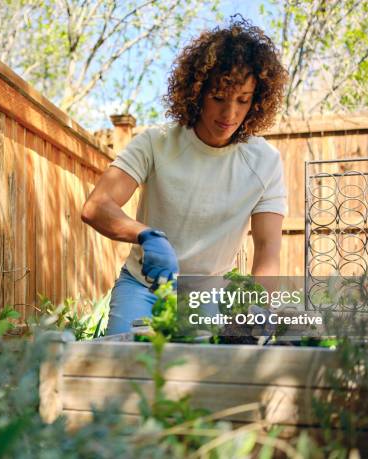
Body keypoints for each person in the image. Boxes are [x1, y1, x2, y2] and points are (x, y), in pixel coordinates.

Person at [81, 16, 289, 335]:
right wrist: (145, 235)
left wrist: (261, 308)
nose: (229, 113)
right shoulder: (157, 142)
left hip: (205, 298)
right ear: (197, 92)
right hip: (142, 287)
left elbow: (267, 249)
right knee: (123, 370)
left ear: (256, 101)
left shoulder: (264, 162)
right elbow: (96, 207)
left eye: (242, 101)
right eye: (218, 98)